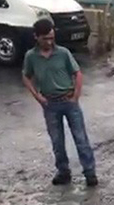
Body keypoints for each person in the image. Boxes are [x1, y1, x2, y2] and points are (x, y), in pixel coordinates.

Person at [22, 19, 97, 187]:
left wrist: (75, 96)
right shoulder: (31, 57)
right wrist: (37, 96)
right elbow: (26, 76)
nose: (49, 42)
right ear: (36, 37)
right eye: (45, 39)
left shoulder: (63, 53)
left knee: (81, 139)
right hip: (50, 104)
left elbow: (77, 73)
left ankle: (90, 173)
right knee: (57, 141)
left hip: (68, 100)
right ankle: (63, 171)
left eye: (51, 38)